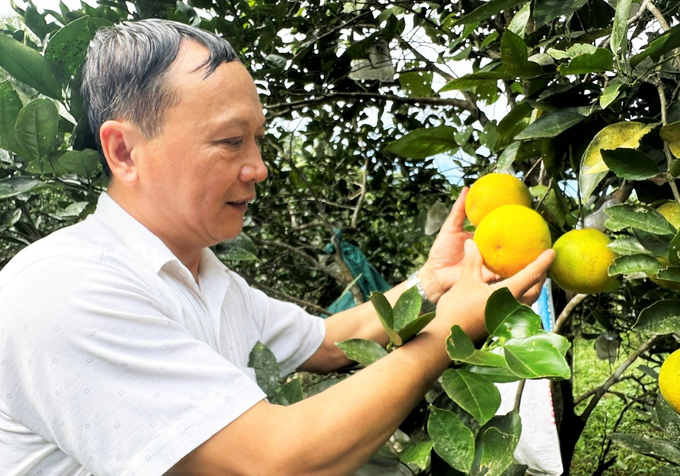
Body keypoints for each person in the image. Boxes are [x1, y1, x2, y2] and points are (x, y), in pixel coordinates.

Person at [0, 19, 554, 476]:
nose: (259, 168)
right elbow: (272, 462)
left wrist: (435, 281)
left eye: (259, 140)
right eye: (230, 140)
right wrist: (443, 334)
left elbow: (331, 342)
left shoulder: (208, 279)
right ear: (123, 151)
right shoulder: (63, 290)